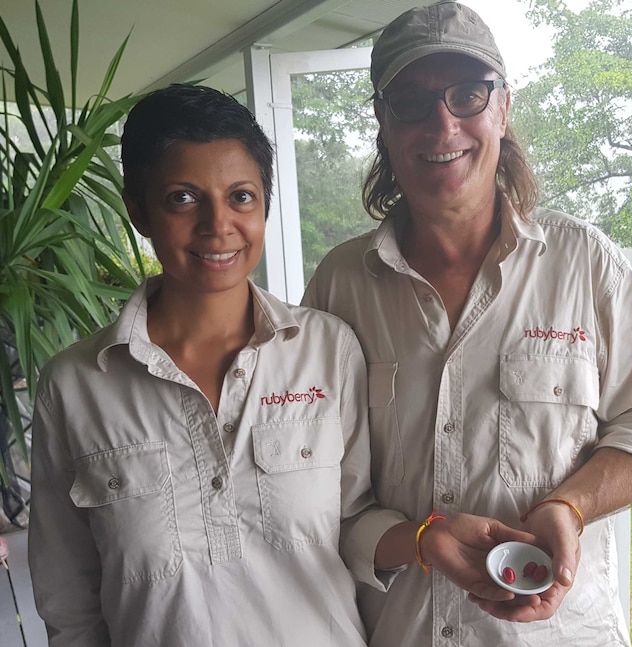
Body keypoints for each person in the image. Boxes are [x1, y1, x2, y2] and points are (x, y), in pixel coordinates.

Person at [301, 2, 632, 645]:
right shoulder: (342, 283)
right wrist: (424, 542)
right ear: (382, 121)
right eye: (412, 102)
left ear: (503, 110)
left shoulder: (583, 261)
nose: (442, 124)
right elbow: (322, 494)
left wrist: (569, 506)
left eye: (467, 96)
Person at [27, 84, 388, 646]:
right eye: (183, 198)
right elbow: (68, 598)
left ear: (266, 202)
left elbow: (354, 523)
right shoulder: (76, 385)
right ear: (139, 210)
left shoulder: (326, 349)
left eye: (241, 196)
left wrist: (422, 542)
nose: (218, 225)